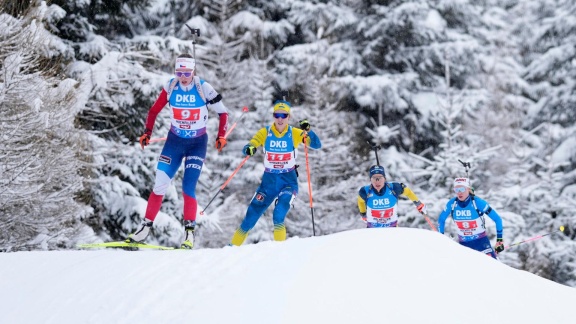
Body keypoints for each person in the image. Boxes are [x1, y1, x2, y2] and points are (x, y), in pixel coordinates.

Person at [127, 53, 229, 249]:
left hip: (197, 144)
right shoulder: (171, 86)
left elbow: (223, 112)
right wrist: (147, 132)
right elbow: (153, 110)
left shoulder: (203, 88)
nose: (183, 76)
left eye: (187, 72)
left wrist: (221, 136)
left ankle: (189, 234)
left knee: (188, 188)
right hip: (174, 142)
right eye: (179, 72)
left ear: (193, 71)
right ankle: (145, 228)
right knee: (159, 184)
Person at [229, 100, 321, 246]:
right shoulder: (265, 132)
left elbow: (317, 144)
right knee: (250, 217)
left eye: (283, 116)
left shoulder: (295, 133)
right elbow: (251, 143)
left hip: (288, 182)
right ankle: (231, 248)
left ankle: (279, 251)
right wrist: (250, 148)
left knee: (278, 216)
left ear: (288, 117)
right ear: (273, 116)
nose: (280, 119)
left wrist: (308, 130)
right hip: (269, 182)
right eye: (277, 115)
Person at [437, 177, 504, 258]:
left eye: (462, 189)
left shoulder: (477, 202)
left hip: (481, 243)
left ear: (468, 189)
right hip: (464, 245)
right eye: (456, 190)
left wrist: (499, 240)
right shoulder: (452, 204)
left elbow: (497, 219)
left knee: (493, 269)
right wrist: (441, 237)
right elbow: (441, 219)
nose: (459, 192)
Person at [357, 165, 428, 228]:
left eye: (380, 178)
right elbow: (360, 201)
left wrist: (418, 204)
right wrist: (363, 214)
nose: (377, 181)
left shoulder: (394, 187)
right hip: (372, 230)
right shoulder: (365, 191)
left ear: (385, 178)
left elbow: (408, 192)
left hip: (392, 229)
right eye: (374, 178)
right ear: (370, 179)